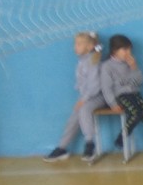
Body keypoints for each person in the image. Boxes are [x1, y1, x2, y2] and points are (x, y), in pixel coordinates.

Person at [44, 31, 105, 162]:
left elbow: (95, 87)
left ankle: (90, 143)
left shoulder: (93, 61)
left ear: (89, 46)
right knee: (73, 119)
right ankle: (62, 147)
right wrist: (83, 98)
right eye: (75, 44)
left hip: (98, 97)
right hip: (87, 97)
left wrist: (83, 99)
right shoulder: (83, 61)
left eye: (78, 44)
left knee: (84, 110)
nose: (75, 47)